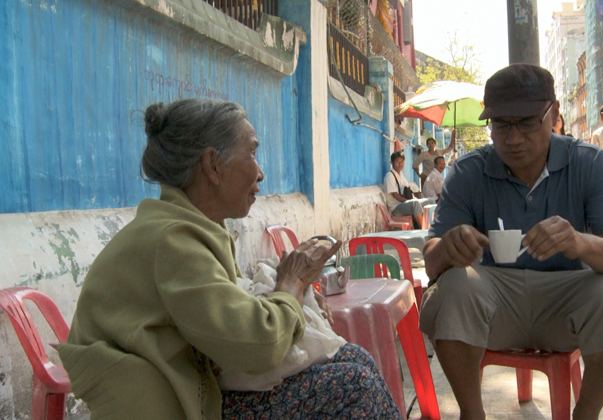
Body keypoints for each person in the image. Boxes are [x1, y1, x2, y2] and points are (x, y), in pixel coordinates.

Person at [58, 99, 402, 420]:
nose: (261, 173)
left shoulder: (193, 229)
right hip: (168, 403)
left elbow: (229, 322)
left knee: (354, 360)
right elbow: (258, 344)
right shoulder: (173, 240)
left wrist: (297, 304)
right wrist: (292, 285)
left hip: (197, 382)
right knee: (354, 386)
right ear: (213, 165)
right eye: (252, 153)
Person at [418, 64, 603, 420]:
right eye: (501, 125)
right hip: (495, 306)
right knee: (452, 287)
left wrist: (579, 243)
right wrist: (448, 247)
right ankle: (472, 413)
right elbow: (431, 263)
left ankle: (586, 413)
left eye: (527, 123)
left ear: (554, 114)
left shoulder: (588, 163)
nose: (513, 139)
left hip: (568, 304)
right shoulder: (468, 172)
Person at [384, 151, 436, 229]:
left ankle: (435, 226)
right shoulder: (389, 176)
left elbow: (407, 189)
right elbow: (395, 196)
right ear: (392, 162)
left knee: (431, 201)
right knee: (415, 204)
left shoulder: (401, 174)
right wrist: (408, 200)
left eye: (401, 162)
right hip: (396, 207)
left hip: (404, 203)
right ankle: (425, 230)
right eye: (397, 162)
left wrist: (414, 198)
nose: (400, 164)